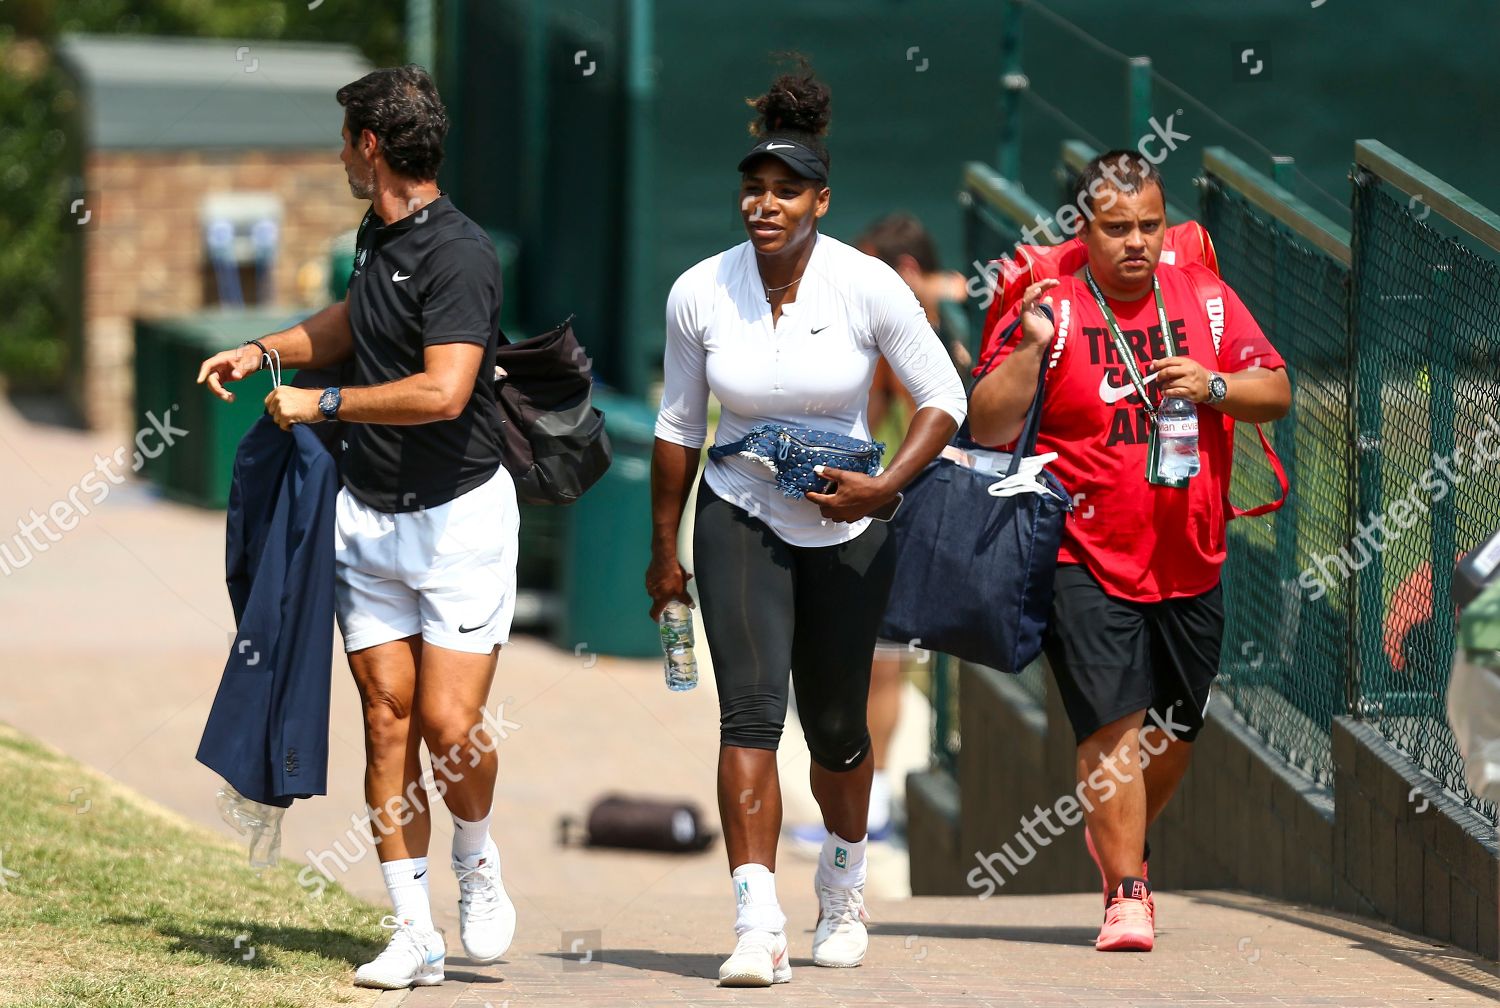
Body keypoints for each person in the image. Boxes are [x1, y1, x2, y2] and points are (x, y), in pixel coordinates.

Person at [196, 65, 518, 990]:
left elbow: (444, 390)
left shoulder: (461, 253)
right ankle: (414, 932)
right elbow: (353, 321)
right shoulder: (376, 235)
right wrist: (264, 349)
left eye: (345, 140)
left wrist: (323, 403)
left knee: (450, 726)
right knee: (387, 722)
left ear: (369, 145)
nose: (340, 154)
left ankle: (476, 855)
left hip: (457, 520)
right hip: (367, 518)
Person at [646, 63, 967, 987]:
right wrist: (663, 551)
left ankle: (843, 888)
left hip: (849, 525)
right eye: (754, 187)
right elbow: (677, 428)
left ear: (821, 201)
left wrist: (883, 489)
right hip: (739, 509)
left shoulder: (867, 286)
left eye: (787, 190)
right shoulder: (700, 291)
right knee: (749, 716)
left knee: (836, 730)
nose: (766, 204)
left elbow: (944, 397)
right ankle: (757, 925)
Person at [967, 150, 1291, 953]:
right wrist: (1029, 348)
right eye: (1117, 228)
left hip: (1190, 555)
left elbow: (1276, 389)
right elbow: (987, 424)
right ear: (1084, 228)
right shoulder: (1054, 307)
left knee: (1173, 732)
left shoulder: (1205, 300)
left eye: (1150, 224)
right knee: (1112, 725)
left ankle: (1120, 838)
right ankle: (1127, 895)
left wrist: (1213, 385)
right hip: (1080, 555)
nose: (1136, 242)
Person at [792, 212, 969, 847]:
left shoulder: (917, 329)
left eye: (872, 269)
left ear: (907, 271)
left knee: (882, 662)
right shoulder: (946, 311)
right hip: (922, 506)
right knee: (877, 661)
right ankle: (874, 806)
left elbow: (893, 404)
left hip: (925, 510)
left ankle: (875, 809)